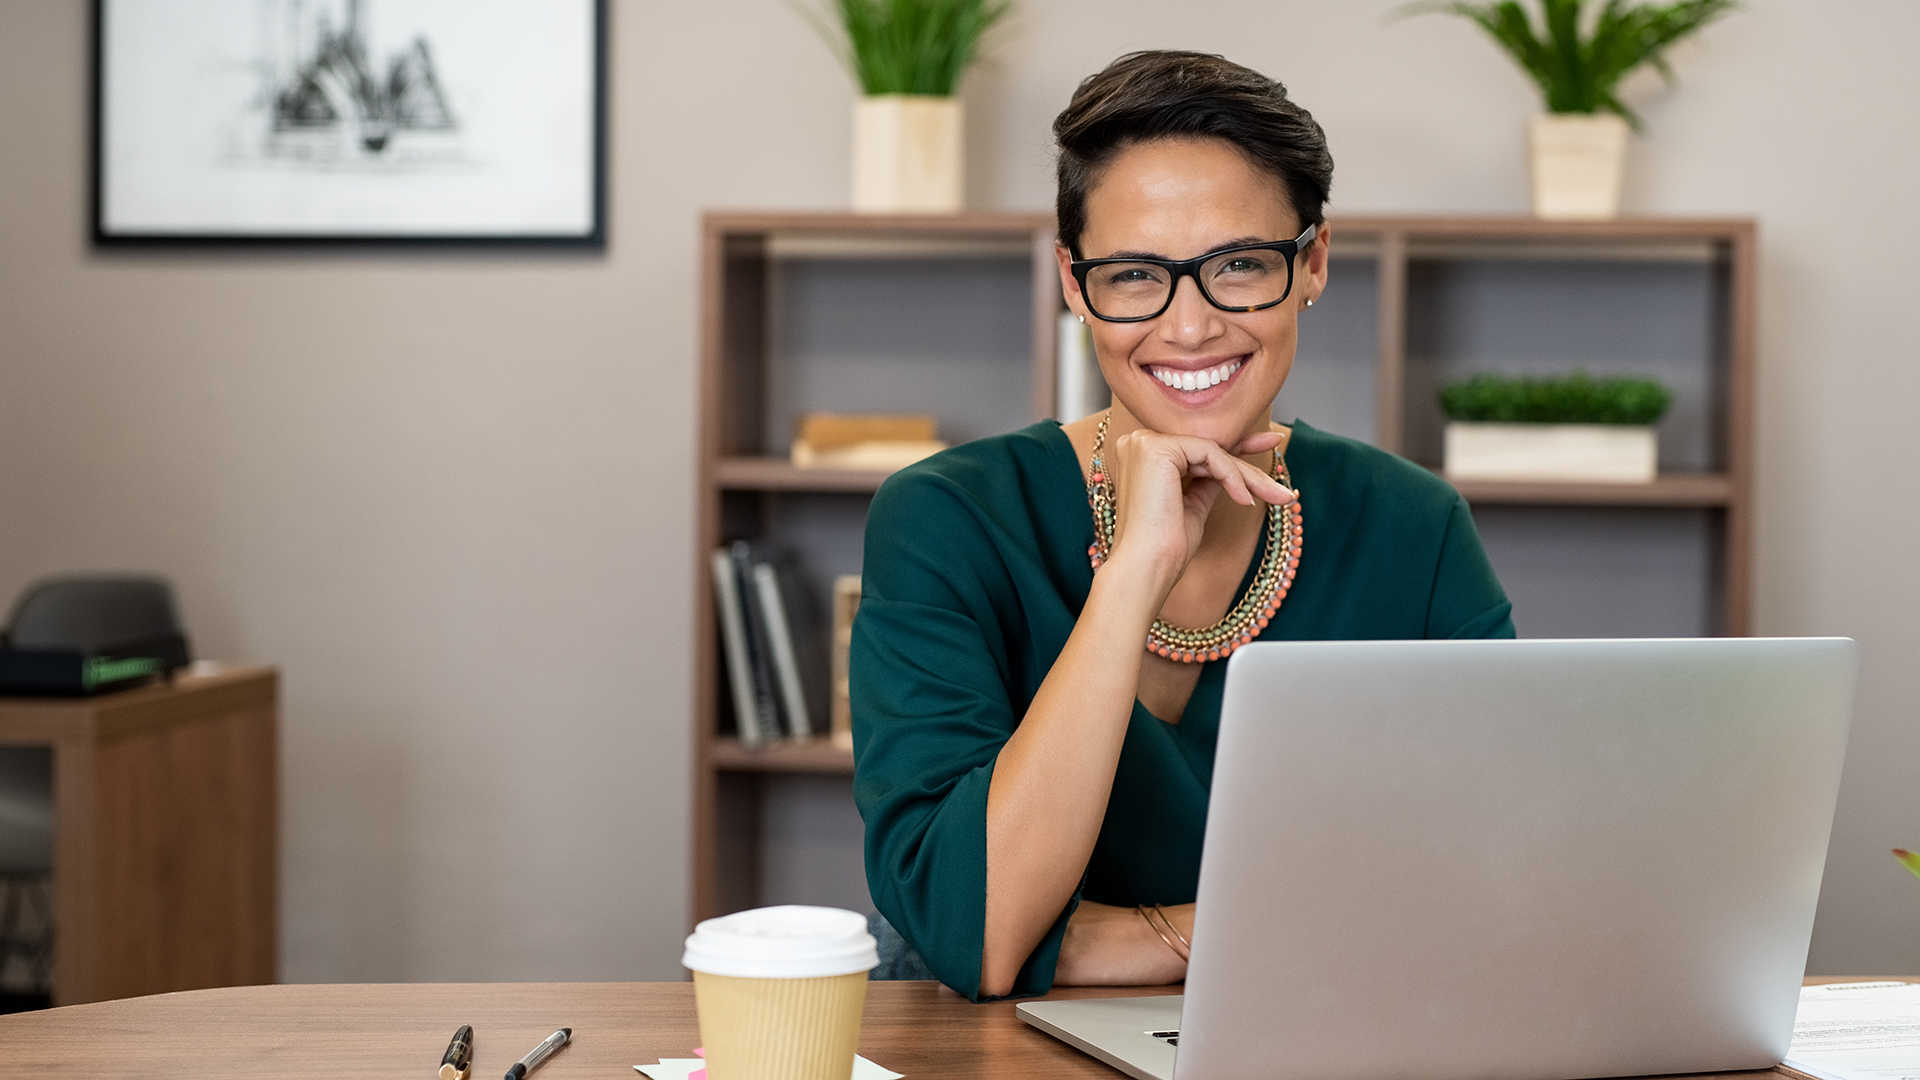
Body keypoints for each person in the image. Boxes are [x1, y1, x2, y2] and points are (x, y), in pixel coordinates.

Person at [851, 50, 1515, 1002]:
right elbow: (985, 932)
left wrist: (1104, 943)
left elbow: (1489, 884)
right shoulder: (944, 518)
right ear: (1076, 287)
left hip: (1319, 1032)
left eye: (1239, 266)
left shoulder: (1415, 525)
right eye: (1133, 276)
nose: (1191, 326)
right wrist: (1133, 570)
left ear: (1313, 264)